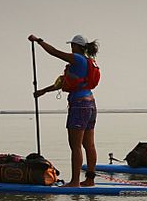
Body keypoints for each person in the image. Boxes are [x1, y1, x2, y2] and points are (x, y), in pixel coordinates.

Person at [29, 34, 99, 187]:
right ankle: (90, 180)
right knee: (89, 145)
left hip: (79, 105)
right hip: (91, 104)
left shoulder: (77, 59)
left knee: (75, 146)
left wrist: (39, 41)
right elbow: (65, 82)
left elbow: (54, 52)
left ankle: (75, 182)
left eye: (72, 45)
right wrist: (43, 91)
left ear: (76, 46)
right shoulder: (87, 62)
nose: (71, 48)